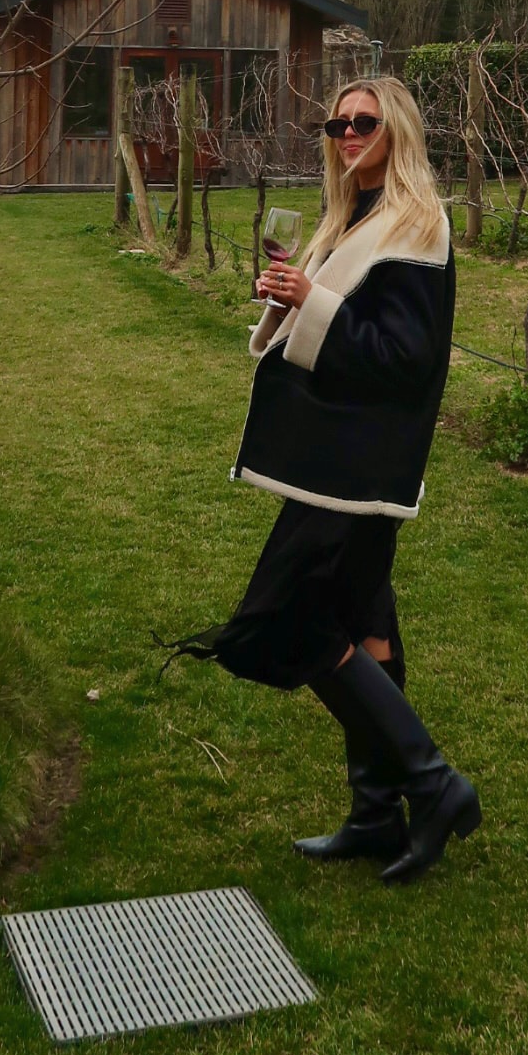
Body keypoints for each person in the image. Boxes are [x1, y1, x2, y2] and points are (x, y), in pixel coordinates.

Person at [170, 73, 480, 884]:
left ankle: (432, 781)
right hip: (338, 462)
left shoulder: (416, 226)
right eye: (338, 124)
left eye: (364, 122)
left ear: (397, 130)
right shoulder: (356, 217)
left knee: (287, 622)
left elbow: (405, 361)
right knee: (367, 629)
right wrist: (286, 301)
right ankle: (378, 814)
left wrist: (313, 301)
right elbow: (333, 326)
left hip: (360, 467)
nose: (347, 134)